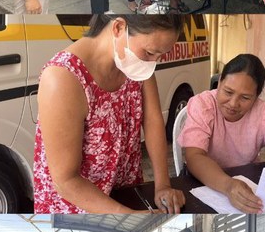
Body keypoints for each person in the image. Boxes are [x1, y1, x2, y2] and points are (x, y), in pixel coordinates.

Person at [34, 13, 187, 215]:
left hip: (124, 191)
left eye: (160, 56)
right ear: (118, 28)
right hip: (75, 206)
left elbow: (152, 122)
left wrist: (163, 185)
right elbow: (65, 180)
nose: (153, 62)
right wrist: (128, 217)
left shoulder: (136, 66)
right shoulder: (63, 77)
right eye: (150, 53)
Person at [178, 54, 265, 213]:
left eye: (245, 97)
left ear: (256, 97)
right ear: (220, 82)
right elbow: (194, 156)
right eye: (228, 92)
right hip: (202, 182)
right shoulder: (203, 105)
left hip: (246, 180)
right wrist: (228, 186)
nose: (233, 104)